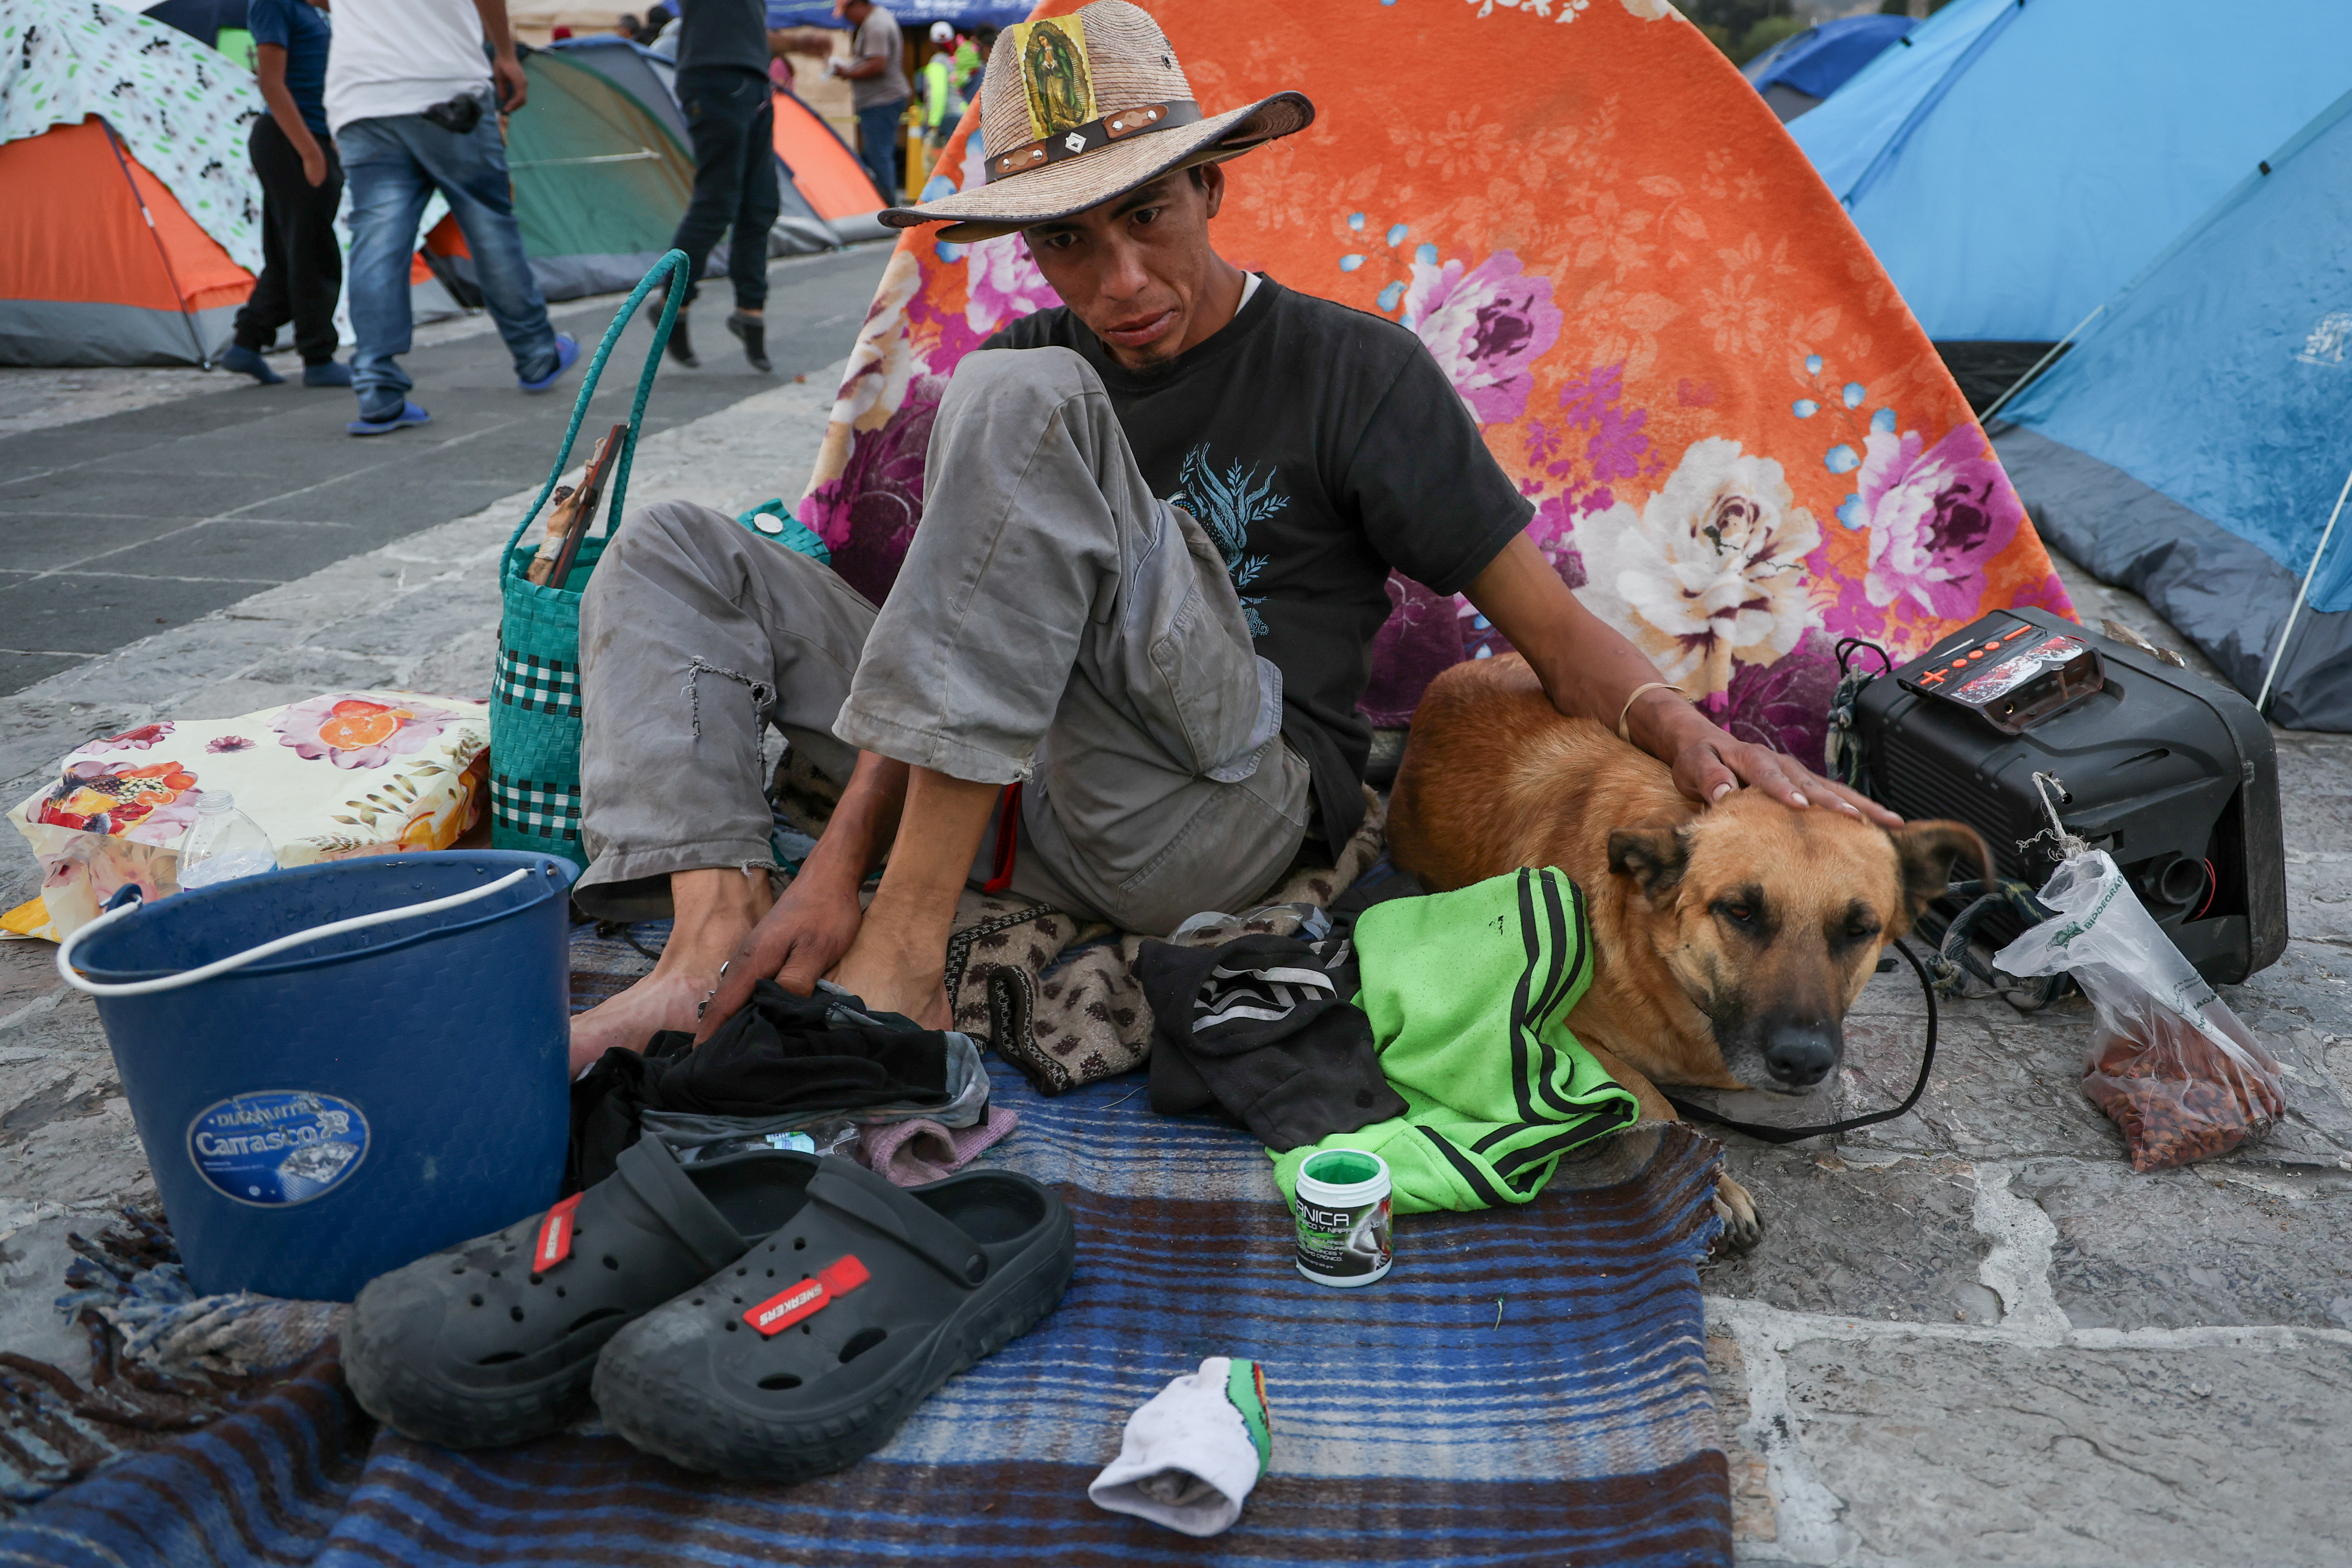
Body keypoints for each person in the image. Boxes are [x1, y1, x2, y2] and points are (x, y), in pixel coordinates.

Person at [563, 0, 1896, 1070]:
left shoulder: (1351, 370)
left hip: (1209, 800)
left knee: (1022, 397)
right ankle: (705, 941)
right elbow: (940, 639)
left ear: (1209, 186)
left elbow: (1545, 630)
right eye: (1067, 242)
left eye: (1146, 216)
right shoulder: (1029, 357)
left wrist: (1685, 732)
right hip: (1016, 784)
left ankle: (904, 957)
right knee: (674, 545)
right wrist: (833, 864)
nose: (1119, 280)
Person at [326, 0, 577, 435]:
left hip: (361, 96)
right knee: (488, 223)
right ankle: (536, 353)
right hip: (444, 84)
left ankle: (377, 387)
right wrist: (505, 53)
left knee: (377, 241)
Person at [649, 0, 784, 373]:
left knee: (761, 203)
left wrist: (794, 43)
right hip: (715, 78)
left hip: (754, 79)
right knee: (717, 203)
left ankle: (750, 310)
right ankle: (673, 303)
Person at [221, 0, 350, 389]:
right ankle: (318, 357)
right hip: (290, 142)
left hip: (316, 140)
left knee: (287, 252)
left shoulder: (316, 11)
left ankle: (247, 343)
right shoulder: (274, 4)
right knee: (314, 252)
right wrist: (310, 152)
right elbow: (271, 83)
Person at [828, 0, 908, 204]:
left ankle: (887, 206)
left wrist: (847, 73)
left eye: (847, 13)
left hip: (881, 100)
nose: (847, 19)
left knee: (878, 156)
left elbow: (878, 64)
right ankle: (885, 203)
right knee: (878, 155)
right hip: (881, 99)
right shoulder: (877, 20)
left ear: (857, 5)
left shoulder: (876, 25)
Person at [915, 20, 963, 171]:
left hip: (946, 119)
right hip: (961, 115)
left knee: (942, 166)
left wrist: (934, 122)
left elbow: (937, 93)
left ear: (932, 43)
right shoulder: (956, 62)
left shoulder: (937, 62)